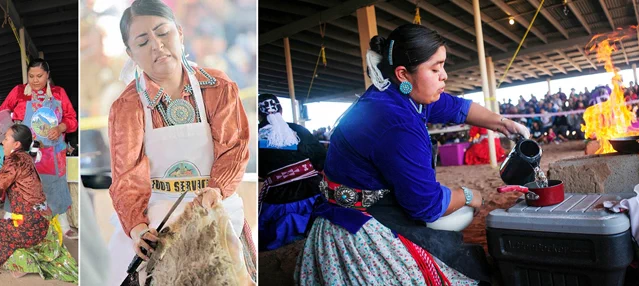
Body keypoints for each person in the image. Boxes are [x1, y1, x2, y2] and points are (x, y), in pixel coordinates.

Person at [295, 24, 531, 285]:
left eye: (443, 65)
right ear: (403, 73)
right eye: (435, 68)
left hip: (346, 213)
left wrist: (503, 123)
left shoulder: (395, 94)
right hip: (360, 234)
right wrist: (469, 195)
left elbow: (458, 108)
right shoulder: (398, 124)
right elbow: (426, 205)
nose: (445, 76)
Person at [106, 0, 255, 284]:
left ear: (180, 33)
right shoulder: (127, 106)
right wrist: (138, 228)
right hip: (159, 208)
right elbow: (127, 176)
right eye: (142, 41)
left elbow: (234, 147)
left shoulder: (218, 87)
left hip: (216, 203)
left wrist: (216, 189)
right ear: (130, 53)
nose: (157, 45)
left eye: (163, 33)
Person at [0, 124, 78, 282]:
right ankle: (28, 250)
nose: (2, 142)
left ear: (17, 144)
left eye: (6, 139)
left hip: (29, 224)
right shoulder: (24, 157)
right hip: (40, 221)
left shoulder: (15, 161)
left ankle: (24, 263)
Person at [0, 58, 78, 240]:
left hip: (52, 153)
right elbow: (0, 114)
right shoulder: (18, 92)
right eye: (31, 76)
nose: (35, 80)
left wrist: (60, 128)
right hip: (25, 152)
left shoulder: (58, 93)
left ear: (48, 75)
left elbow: (72, 120)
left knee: (55, 186)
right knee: (19, 185)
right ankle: (10, 220)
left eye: (39, 76)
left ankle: (63, 225)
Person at [257, 93, 326, 251]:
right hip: (313, 192)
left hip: (279, 200)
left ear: (259, 114)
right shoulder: (299, 130)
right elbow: (320, 158)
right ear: (280, 110)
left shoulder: (255, 135)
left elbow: (259, 170)